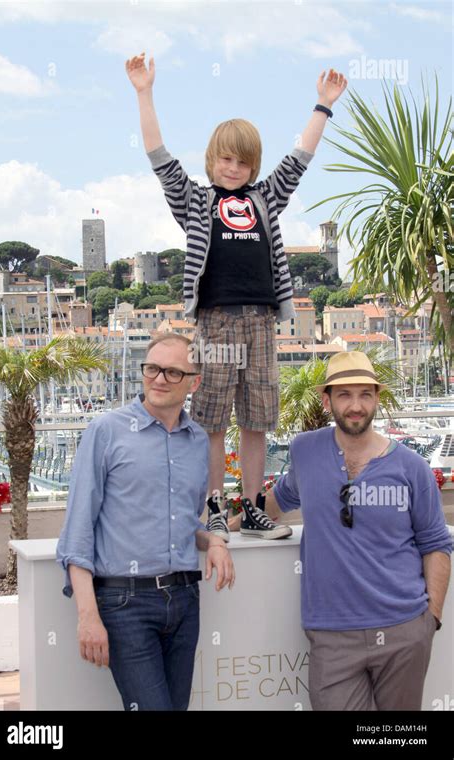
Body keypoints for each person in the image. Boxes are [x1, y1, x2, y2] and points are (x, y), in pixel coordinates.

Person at [125, 52, 347, 541]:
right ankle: (213, 507)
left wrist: (323, 105)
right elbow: (158, 155)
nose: (234, 167)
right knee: (211, 421)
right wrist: (144, 92)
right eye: (226, 159)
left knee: (256, 420)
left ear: (253, 167)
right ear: (212, 160)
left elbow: (300, 159)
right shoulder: (196, 201)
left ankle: (251, 508)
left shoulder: (264, 199)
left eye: (243, 161)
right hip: (217, 321)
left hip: (262, 322)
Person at [263, 350, 452, 710]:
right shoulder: (306, 451)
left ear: (376, 399)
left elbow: (436, 543)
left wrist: (431, 621)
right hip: (331, 634)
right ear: (327, 400)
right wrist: (227, 524)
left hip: (403, 628)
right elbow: (280, 499)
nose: (356, 406)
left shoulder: (412, 468)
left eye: (365, 394)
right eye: (345, 395)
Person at [56, 333, 235, 711]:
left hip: (185, 600)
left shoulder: (197, 441)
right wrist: (87, 616)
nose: (159, 379)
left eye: (173, 372)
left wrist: (215, 541)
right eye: (152, 368)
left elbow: (186, 523)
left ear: (194, 382)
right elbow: (78, 529)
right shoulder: (106, 431)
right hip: (125, 604)